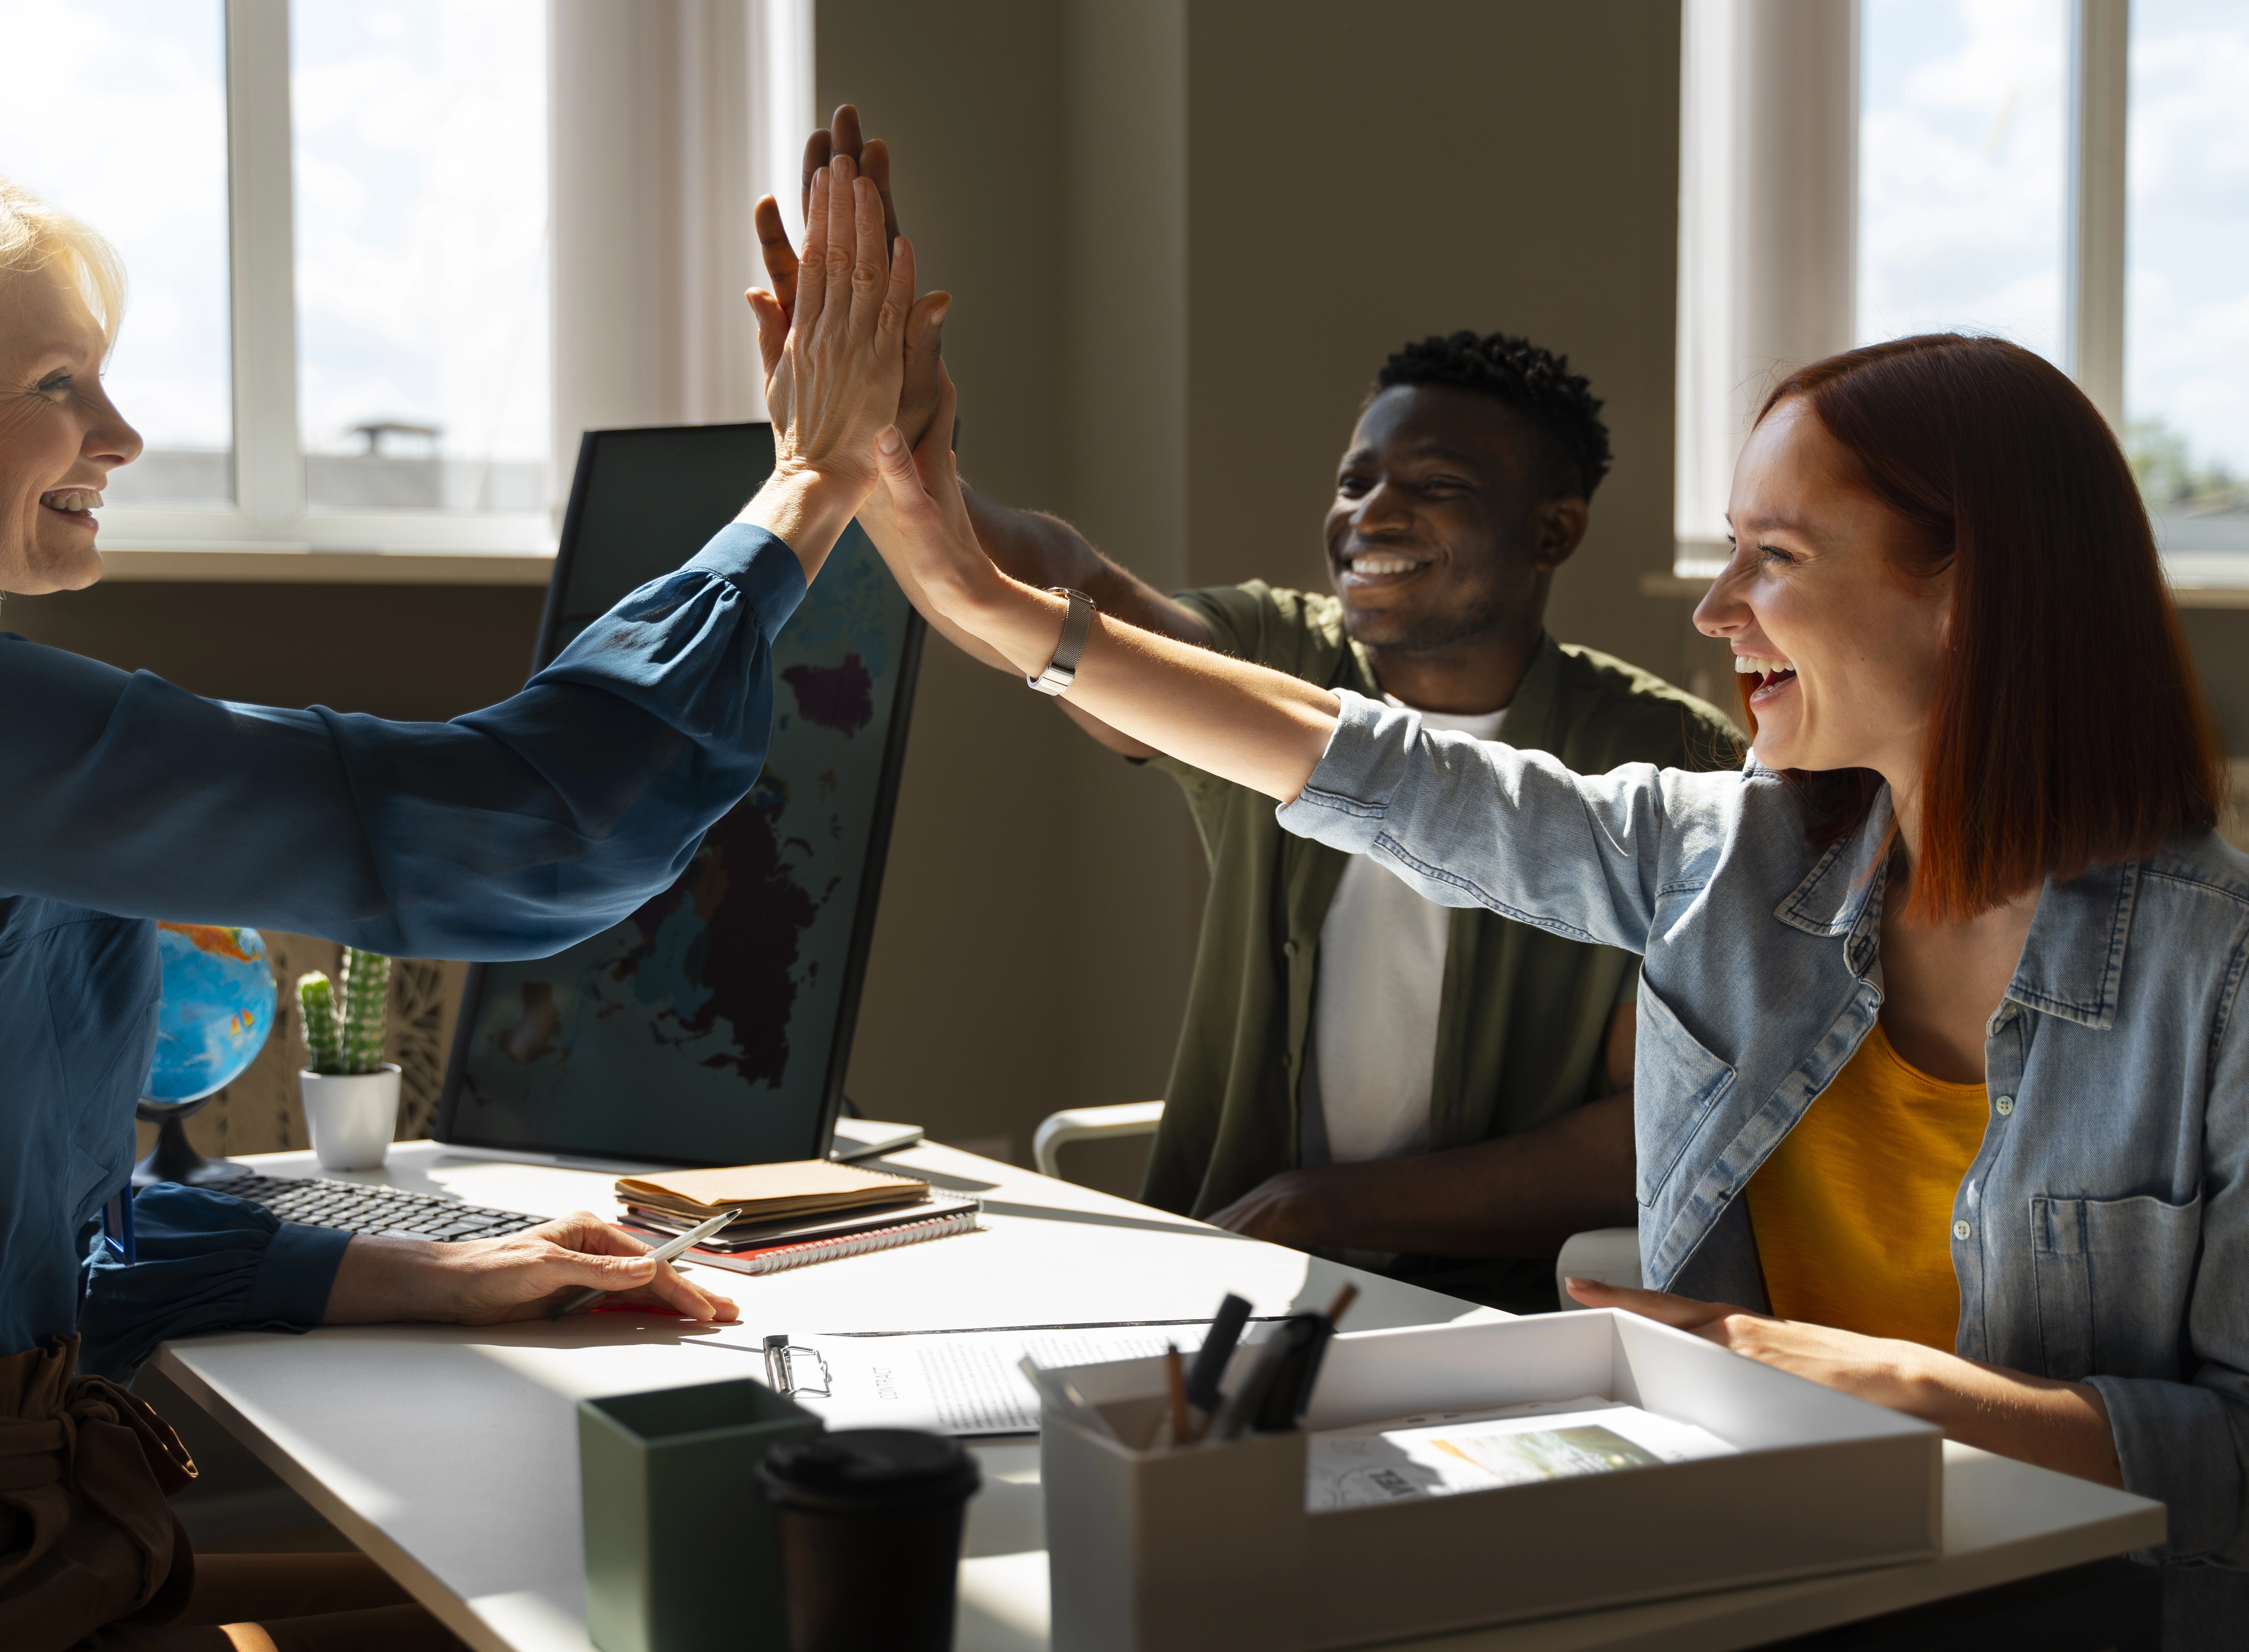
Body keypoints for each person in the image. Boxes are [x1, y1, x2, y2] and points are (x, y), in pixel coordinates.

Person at [836, 321, 2246, 1638]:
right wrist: (971, 589)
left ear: (1967, 590)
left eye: (1770, 556)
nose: (1711, 608)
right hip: (1760, 1563)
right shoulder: (1737, 856)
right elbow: (1368, 770)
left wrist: (1875, 1387)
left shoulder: (2220, 975)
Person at [0, 138, 915, 1650]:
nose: (118, 431)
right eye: (57, 384)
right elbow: (536, 823)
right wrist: (807, 486)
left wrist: (417, 1270)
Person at [751, 116, 1742, 1311]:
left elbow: (1647, 1133)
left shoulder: (1672, 766)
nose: (1369, 515)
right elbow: (1054, 593)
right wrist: (907, 441)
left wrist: (1332, 1208)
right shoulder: (1276, 664)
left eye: (1434, 486)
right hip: (1217, 1274)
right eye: (1354, 481)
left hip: (1482, 1308)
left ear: (1554, 530)